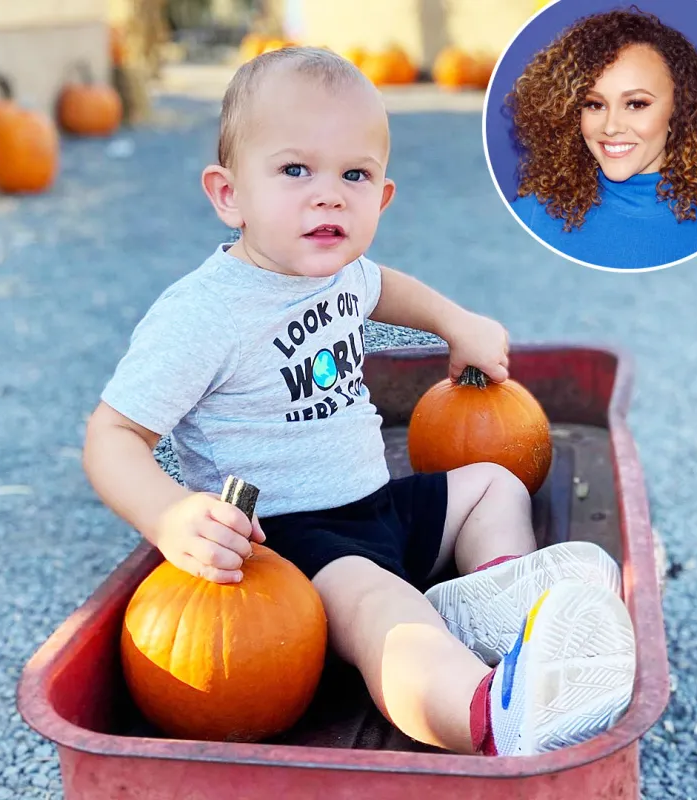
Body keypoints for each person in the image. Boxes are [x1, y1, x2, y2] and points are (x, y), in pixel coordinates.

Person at [82, 46, 635, 757]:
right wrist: (168, 515)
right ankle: (491, 716)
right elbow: (112, 434)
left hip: (376, 509)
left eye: (354, 175)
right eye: (293, 170)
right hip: (289, 547)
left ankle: (493, 602)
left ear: (382, 196)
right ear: (229, 195)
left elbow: (385, 287)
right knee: (385, 612)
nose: (328, 195)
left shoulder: (338, 269)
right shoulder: (203, 314)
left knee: (492, 486)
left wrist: (455, 323)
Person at [507, 7, 697, 270]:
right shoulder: (530, 217)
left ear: (680, 109)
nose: (611, 127)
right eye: (594, 105)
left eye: (635, 104)